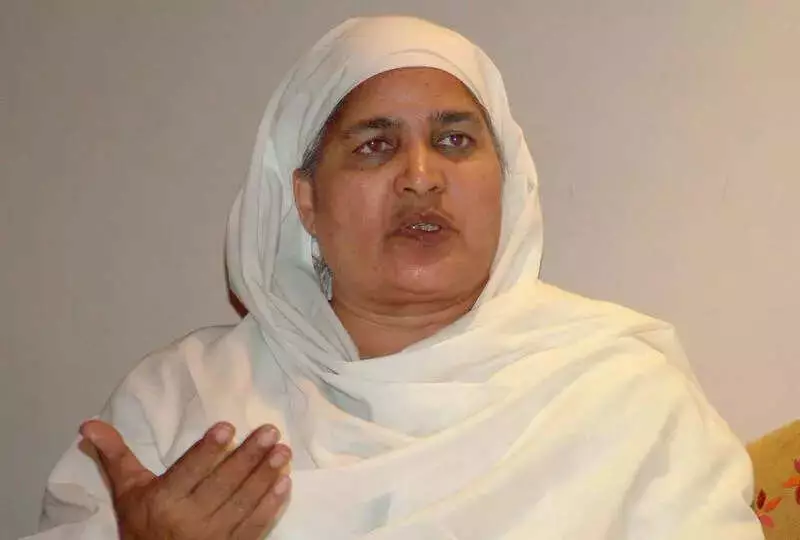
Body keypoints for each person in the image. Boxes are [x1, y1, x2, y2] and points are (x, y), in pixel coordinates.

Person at [25, 16, 763, 540]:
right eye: (375, 146)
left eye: (455, 140)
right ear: (306, 201)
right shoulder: (182, 401)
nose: (420, 176)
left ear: (508, 185)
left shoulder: (620, 397)